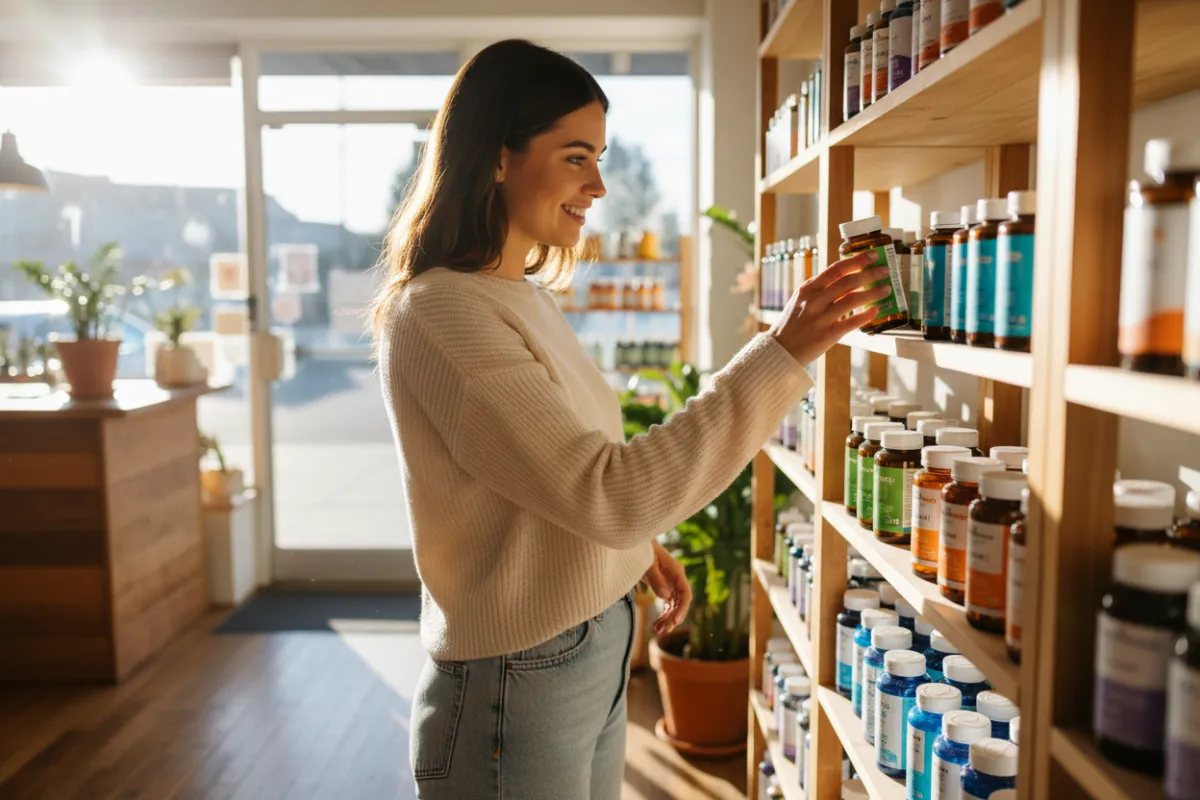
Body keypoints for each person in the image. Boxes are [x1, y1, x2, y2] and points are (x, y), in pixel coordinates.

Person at [372, 39, 889, 800]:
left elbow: (555, 469)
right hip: (518, 677)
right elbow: (606, 491)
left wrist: (628, 550)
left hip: (585, 646)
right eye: (576, 157)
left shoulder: (519, 296)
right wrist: (782, 351)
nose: (601, 184)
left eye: (600, 157)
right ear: (496, 158)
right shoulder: (444, 311)